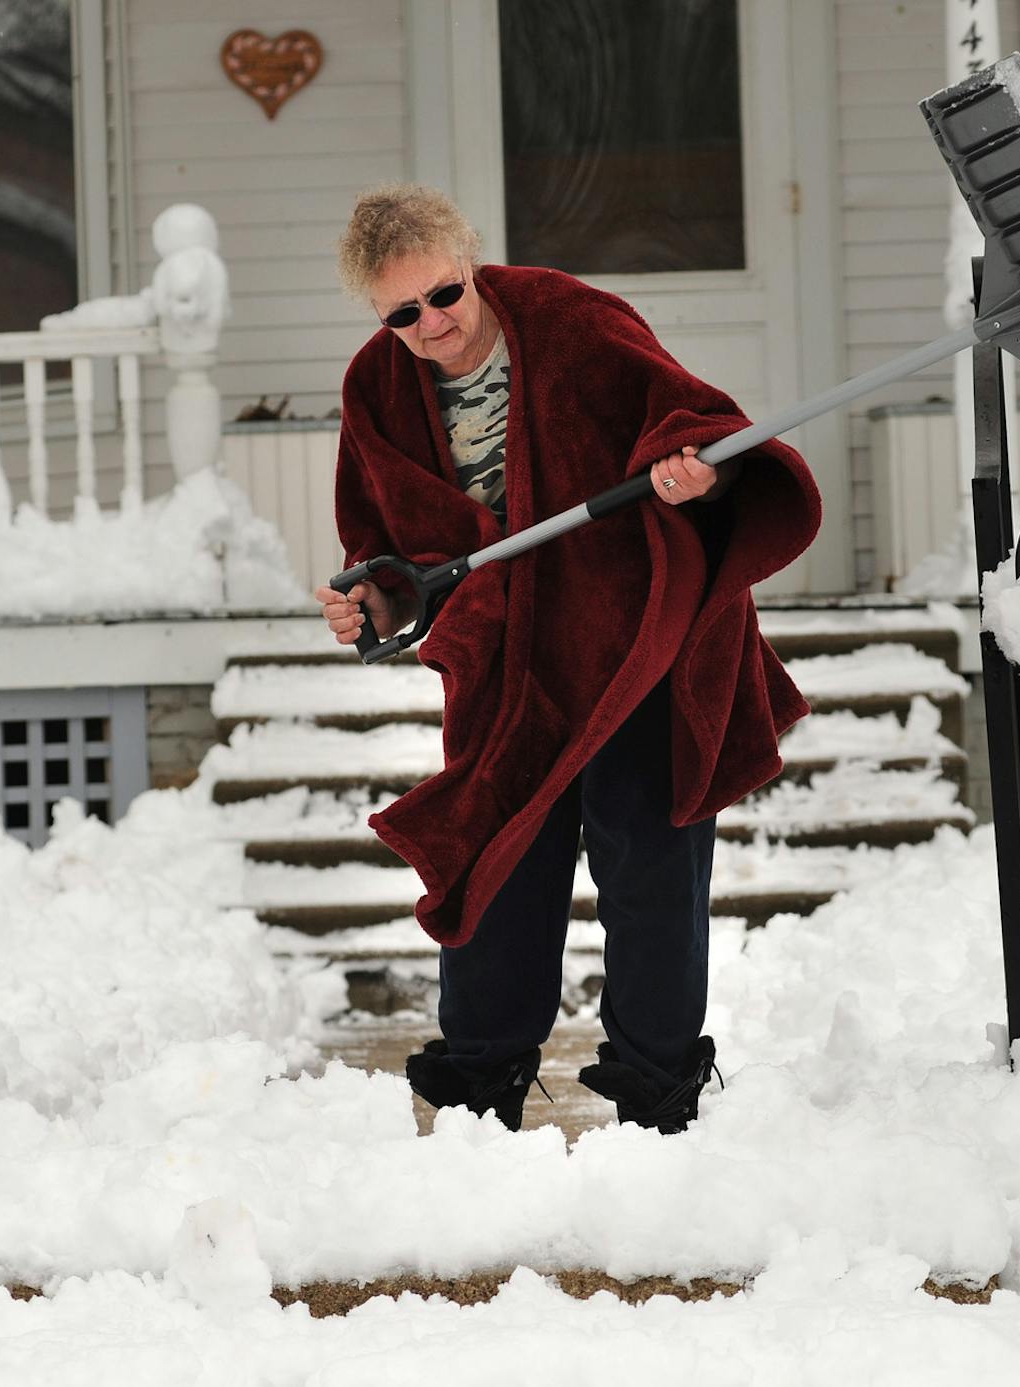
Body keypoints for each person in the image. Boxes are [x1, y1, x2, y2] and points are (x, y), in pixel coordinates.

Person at [315, 184, 820, 1134]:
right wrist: (371, 599)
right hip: (508, 661)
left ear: (472, 264)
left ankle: (656, 1087)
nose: (432, 324)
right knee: (496, 860)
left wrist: (692, 468)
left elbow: (689, 418)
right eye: (402, 314)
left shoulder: (570, 319)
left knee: (649, 859)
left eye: (445, 295)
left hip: (627, 632)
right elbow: (391, 550)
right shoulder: (375, 390)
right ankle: (479, 1087)